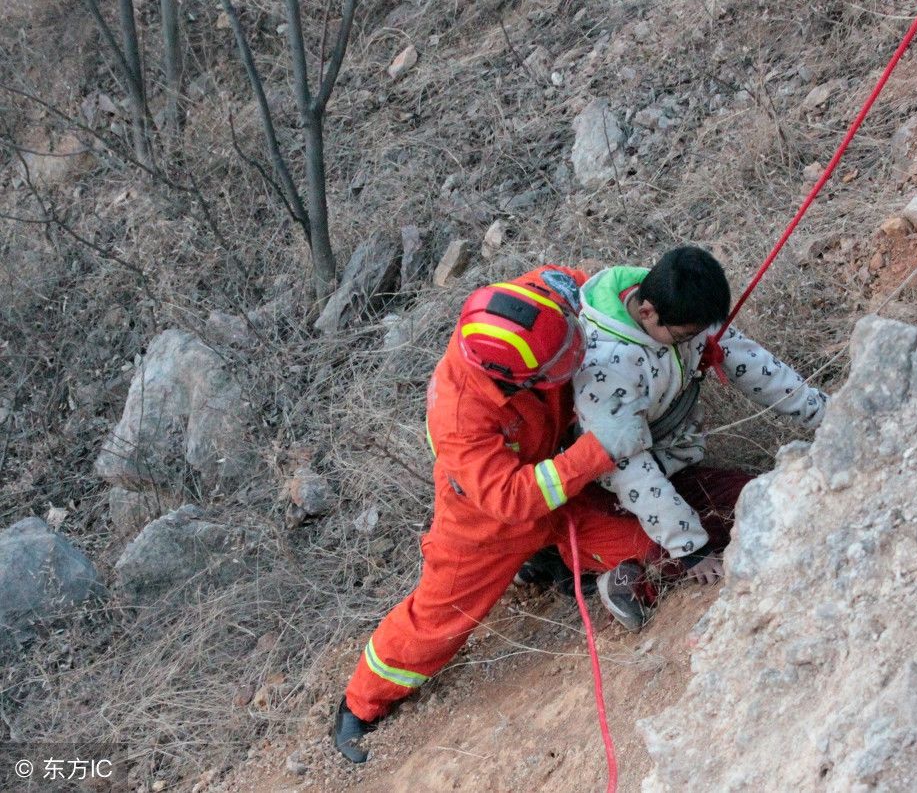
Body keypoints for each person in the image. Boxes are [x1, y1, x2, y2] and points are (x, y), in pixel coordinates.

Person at [333, 265, 656, 763]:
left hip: (556, 479)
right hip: (487, 521)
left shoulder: (541, 298)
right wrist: (598, 451)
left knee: (648, 548)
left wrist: (656, 300)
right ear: (511, 378)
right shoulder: (460, 414)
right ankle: (361, 703)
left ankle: (550, 560)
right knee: (438, 619)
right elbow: (512, 499)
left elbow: (605, 287)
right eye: (560, 360)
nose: (576, 355)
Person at [571, 246, 828, 629]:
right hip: (610, 484)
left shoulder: (680, 304)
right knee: (690, 541)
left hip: (669, 461)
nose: (696, 341)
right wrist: (690, 548)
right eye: (687, 336)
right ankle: (624, 576)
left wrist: (826, 414)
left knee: (755, 501)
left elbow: (752, 364)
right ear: (647, 313)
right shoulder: (604, 366)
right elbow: (628, 467)